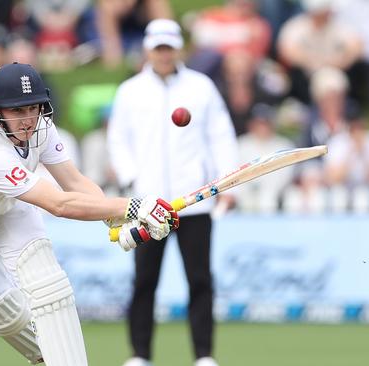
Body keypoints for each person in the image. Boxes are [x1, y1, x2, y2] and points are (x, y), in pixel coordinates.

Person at [0, 62, 179, 366]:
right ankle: (44, 358)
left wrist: (116, 219)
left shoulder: (40, 127)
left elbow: (74, 182)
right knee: (5, 310)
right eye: (17, 111)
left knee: (49, 283)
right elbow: (59, 204)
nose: (28, 119)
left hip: (5, 203)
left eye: (33, 107)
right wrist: (134, 206)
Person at [107, 19, 239, 366]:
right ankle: (139, 356)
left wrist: (226, 181)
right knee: (144, 280)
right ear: (149, 50)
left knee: (199, 280)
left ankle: (204, 356)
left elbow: (220, 134)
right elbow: (118, 139)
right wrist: (132, 178)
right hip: (148, 205)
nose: (164, 54)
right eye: (158, 48)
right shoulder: (130, 91)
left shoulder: (201, 87)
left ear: (178, 48)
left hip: (192, 201)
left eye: (169, 47)